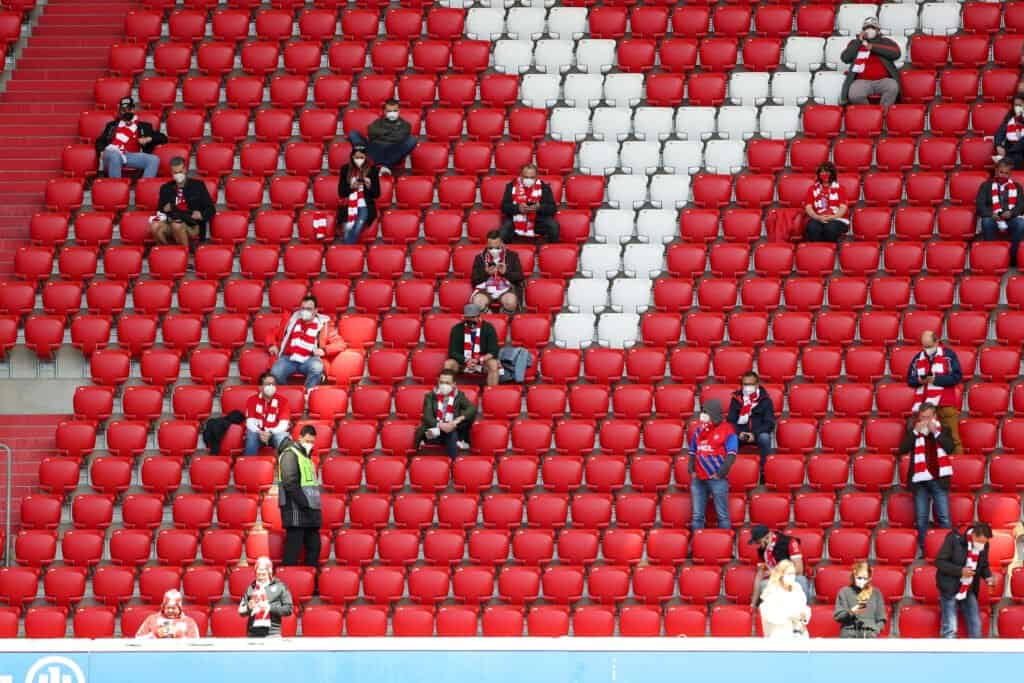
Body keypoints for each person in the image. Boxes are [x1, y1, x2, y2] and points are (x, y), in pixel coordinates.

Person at [898, 404, 955, 555]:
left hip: (939, 479)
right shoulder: (913, 431)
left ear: (934, 416)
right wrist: (915, 432)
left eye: (928, 417)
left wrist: (935, 433)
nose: (925, 420)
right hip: (920, 480)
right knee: (921, 518)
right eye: (922, 417)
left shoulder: (944, 430)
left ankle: (947, 551)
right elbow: (902, 449)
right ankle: (925, 550)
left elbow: (950, 448)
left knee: (944, 517)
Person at [265, 295, 345, 392]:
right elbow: (272, 333)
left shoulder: (324, 324)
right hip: (289, 358)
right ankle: (290, 394)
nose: (305, 311)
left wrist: (324, 350)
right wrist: (271, 345)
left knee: (317, 367)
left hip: (310, 359)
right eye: (303, 308)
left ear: (315, 311)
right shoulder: (291, 321)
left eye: (309, 309)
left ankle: (306, 394)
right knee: (275, 372)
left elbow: (340, 344)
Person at [906, 330, 964, 454]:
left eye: (929, 346)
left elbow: (956, 377)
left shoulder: (949, 355)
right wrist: (920, 381)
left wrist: (936, 379)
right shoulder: (918, 357)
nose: (926, 349)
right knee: (925, 440)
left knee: (953, 439)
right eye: (924, 346)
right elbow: (910, 380)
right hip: (926, 407)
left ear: (937, 342)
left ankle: (959, 467)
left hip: (945, 404)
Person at [935, 523, 995, 639]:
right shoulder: (953, 539)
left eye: (985, 543)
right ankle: (947, 654)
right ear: (973, 535)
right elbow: (940, 562)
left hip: (968, 588)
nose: (982, 545)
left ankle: (975, 654)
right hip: (949, 586)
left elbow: (983, 565)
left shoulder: (984, 545)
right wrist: (960, 571)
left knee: (976, 625)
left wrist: (988, 577)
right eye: (980, 541)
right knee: (950, 628)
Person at [688, 400, 736, 531]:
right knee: (697, 516)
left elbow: (731, 455)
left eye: (705, 412)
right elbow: (692, 451)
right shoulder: (699, 430)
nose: (702, 415)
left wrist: (720, 473)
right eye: (702, 412)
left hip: (717, 479)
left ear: (713, 413)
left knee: (723, 516)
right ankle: (697, 547)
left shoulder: (728, 430)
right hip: (698, 478)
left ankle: (725, 548)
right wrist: (691, 469)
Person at [277, 426, 322, 567]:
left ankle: (310, 586)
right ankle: (285, 586)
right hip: (295, 510)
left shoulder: (306, 458)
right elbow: (290, 484)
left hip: (309, 512)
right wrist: (306, 505)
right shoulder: (290, 455)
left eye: (312, 442)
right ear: (300, 438)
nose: (310, 444)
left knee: (314, 548)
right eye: (308, 440)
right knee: (292, 552)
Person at [150, 156, 215, 246]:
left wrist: (201, 215)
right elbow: (160, 210)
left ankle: (185, 253)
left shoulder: (198, 185)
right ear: (171, 173)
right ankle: (167, 250)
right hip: (171, 222)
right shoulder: (165, 188)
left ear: (185, 170)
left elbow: (211, 209)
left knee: (176, 225)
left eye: (180, 172)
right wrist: (164, 209)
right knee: (154, 226)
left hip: (191, 224)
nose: (178, 175)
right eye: (175, 173)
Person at [95, 96, 165, 178]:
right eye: (123, 110)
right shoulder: (112, 125)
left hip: (130, 155)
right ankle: (117, 188)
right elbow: (100, 141)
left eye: (129, 109)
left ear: (133, 109)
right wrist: (101, 151)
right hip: (112, 153)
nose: (126, 112)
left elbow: (163, 138)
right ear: (120, 111)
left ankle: (144, 187)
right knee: (115, 156)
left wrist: (149, 138)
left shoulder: (143, 126)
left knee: (154, 160)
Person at [414, 368, 477, 459]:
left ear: (454, 384)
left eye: (447, 383)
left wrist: (455, 421)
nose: (444, 385)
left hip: (452, 430)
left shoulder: (459, 396)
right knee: (450, 433)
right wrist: (441, 425)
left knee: (452, 432)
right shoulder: (430, 396)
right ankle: (454, 464)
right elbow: (427, 417)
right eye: (442, 382)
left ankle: (452, 463)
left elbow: (472, 408)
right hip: (433, 433)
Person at [840, 16, 901, 107]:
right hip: (861, 81)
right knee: (854, 94)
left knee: (893, 87)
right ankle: (870, 114)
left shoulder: (885, 41)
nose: (869, 29)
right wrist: (858, 41)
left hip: (883, 81)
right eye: (866, 28)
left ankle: (883, 113)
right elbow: (845, 58)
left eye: (873, 27)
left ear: (878, 30)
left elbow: (896, 53)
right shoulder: (855, 43)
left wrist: (873, 47)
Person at [976, 157, 1024, 268]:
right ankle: (992, 258)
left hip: (1010, 217)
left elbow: (1021, 205)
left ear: (1010, 174)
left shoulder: (1017, 187)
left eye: (1006, 173)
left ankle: (1013, 257)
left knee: (1021, 224)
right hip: (993, 217)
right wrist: (990, 214)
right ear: (996, 170)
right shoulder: (986, 186)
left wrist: (1011, 213)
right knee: (986, 222)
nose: (1003, 175)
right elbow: (980, 205)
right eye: (1001, 172)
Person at [347, 99, 416, 174]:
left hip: (393, 150)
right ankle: (376, 163)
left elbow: (400, 137)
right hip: (375, 148)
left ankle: (383, 165)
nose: (392, 113)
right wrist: (391, 133)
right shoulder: (378, 122)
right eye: (389, 111)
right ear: (385, 112)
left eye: (394, 111)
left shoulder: (405, 125)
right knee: (353, 134)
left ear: (399, 111)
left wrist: (381, 135)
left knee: (412, 140)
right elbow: (371, 132)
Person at [727, 371, 775, 478]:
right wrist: (739, 433)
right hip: (741, 433)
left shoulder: (765, 400)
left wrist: (754, 434)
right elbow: (730, 421)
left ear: (757, 385)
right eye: (745, 384)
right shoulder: (736, 399)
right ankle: (729, 471)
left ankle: (764, 472)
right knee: (730, 438)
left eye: (751, 384)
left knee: (765, 438)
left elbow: (769, 423)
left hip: (757, 434)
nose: (748, 387)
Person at [749, 525, 809, 607]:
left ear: (767, 537)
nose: (758, 545)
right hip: (775, 582)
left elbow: (799, 570)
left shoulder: (789, 542)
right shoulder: (762, 551)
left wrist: (776, 572)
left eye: (759, 542)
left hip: (791, 579)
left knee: (801, 580)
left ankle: (801, 612)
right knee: (763, 584)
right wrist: (752, 604)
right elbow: (760, 575)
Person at [500, 164, 559, 244]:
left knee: (553, 226)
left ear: (537, 176)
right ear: (521, 176)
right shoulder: (511, 186)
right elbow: (504, 207)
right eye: (526, 177)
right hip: (516, 217)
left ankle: (550, 251)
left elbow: (553, 208)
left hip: (538, 218)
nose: (529, 179)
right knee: (504, 229)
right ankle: (506, 252)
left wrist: (539, 208)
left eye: (532, 177)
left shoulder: (544, 187)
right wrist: (518, 208)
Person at [445, 303, 501, 386]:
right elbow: (452, 352)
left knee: (493, 364)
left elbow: (493, 351)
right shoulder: (457, 329)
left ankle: (491, 393)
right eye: (468, 318)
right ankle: (447, 392)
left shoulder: (488, 328)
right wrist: (467, 360)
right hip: (463, 362)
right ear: (464, 317)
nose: (471, 320)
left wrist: (478, 360)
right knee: (448, 363)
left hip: (482, 362)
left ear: (479, 317)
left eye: (473, 317)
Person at [238, 556, 294, 637]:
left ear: (269, 573)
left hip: (272, 633)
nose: (260, 577)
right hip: (252, 633)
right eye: (258, 574)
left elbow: (289, 609)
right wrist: (248, 607)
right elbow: (241, 612)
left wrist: (270, 607)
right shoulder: (251, 588)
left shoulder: (280, 587)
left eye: (263, 574)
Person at [470, 230, 524, 314]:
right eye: (491, 248)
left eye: (497, 247)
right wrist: (486, 273)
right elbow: (474, 280)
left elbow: (520, 277)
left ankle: (503, 318)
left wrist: (506, 272)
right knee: (477, 303)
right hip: (485, 288)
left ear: (502, 243)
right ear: (487, 245)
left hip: (506, 288)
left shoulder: (512, 256)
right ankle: (489, 317)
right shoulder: (480, 257)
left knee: (511, 302)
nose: (494, 250)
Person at [336, 146, 380, 244]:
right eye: (356, 157)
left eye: (361, 157)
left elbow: (376, 194)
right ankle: (350, 253)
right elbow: (341, 193)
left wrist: (369, 186)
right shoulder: (345, 169)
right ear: (352, 157)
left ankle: (348, 252)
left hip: (365, 205)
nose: (359, 160)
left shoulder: (372, 170)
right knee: (348, 228)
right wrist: (351, 187)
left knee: (355, 227)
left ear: (366, 157)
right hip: (348, 205)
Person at [758, 560, 811, 639]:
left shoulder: (797, 588)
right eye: (789, 574)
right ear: (781, 575)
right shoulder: (772, 590)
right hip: (780, 633)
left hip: (799, 632)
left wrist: (804, 614)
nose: (792, 576)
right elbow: (769, 615)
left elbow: (804, 607)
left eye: (793, 573)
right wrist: (790, 615)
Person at [833, 562, 887, 639]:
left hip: (870, 635)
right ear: (853, 576)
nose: (862, 581)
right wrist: (851, 612)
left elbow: (881, 619)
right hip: (848, 635)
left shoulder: (876, 593)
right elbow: (838, 616)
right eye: (859, 578)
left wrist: (875, 631)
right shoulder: (844, 592)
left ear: (869, 578)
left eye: (865, 578)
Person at [244, 372, 291, 457]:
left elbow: (283, 425)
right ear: (260, 387)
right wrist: (260, 432)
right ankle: (248, 467)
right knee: (251, 435)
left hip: (274, 433)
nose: (271, 387)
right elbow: (250, 423)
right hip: (258, 434)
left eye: (273, 384)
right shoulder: (252, 400)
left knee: (282, 437)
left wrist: (270, 432)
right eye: (268, 384)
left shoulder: (283, 401)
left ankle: (287, 467)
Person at [803, 162, 849, 243]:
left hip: (837, 219)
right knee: (812, 227)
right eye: (822, 172)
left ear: (832, 174)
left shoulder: (840, 188)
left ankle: (829, 251)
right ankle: (817, 250)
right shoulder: (812, 188)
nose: (825, 174)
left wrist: (831, 217)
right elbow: (808, 207)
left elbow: (843, 208)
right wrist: (818, 217)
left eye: (827, 172)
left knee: (830, 228)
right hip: (818, 218)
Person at [135, 589, 200, 639]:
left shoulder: (189, 622)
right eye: (168, 608)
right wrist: (154, 634)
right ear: (163, 607)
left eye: (174, 608)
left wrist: (180, 636)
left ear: (179, 608)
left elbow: (195, 644)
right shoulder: (152, 619)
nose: (170, 610)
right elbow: (138, 640)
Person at [995, 94, 1024, 169]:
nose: (1017, 107)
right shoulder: (1010, 116)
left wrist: (1008, 152)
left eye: (1019, 105)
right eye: (1015, 105)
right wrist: (998, 145)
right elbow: (1000, 131)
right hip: (1011, 150)